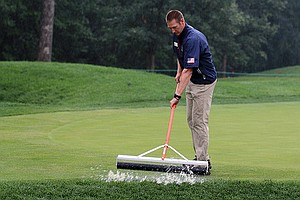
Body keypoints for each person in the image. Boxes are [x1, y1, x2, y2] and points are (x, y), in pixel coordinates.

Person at [165, 10, 217, 172]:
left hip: (204, 82)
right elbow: (181, 57)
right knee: (191, 121)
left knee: (199, 122)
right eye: (170, 28)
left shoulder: (193, 38)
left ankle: (203, 163)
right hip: (192, 80)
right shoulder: (177, 35)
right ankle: (199, 158)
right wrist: (178, 71)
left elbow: (189, 69)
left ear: (182, 21)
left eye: (174, 27)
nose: (172, 31)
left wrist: (176, 96)